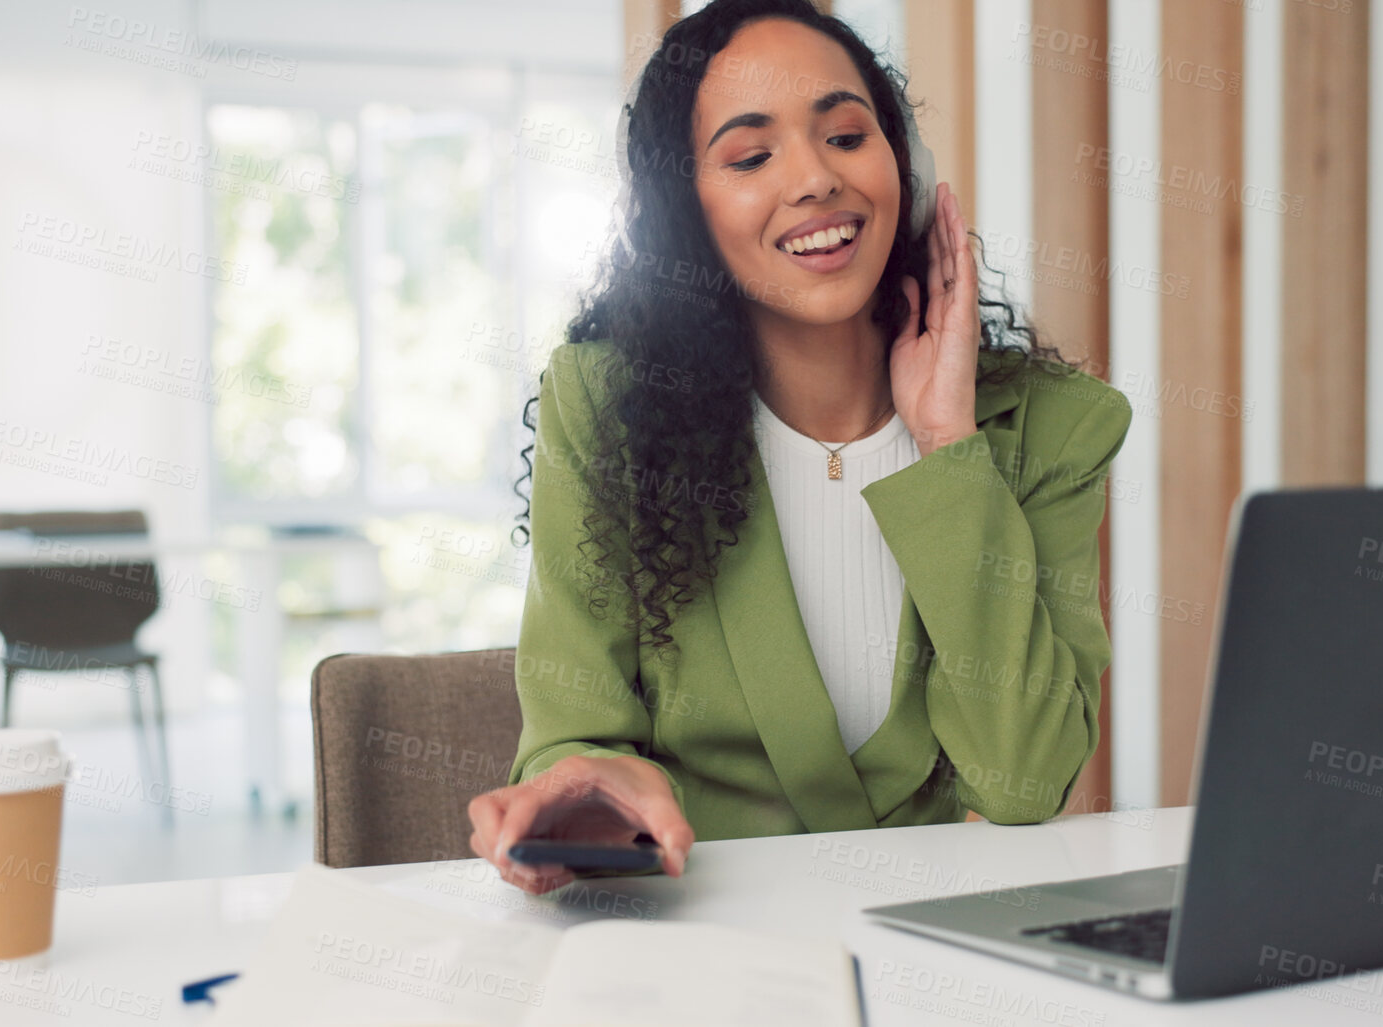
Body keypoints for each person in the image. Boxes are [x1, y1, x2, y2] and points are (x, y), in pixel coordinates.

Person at [468, 0, 1132, 896]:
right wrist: (602, 775)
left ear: (903, 165)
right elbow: (574, 728)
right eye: (750, 156)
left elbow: (1023, 781)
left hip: (926, 946)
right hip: (700, 937)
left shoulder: (1051, 424)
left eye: (847, 136)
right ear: (684, 212)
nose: (816, 179)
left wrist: (946, 445)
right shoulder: (607, 404)